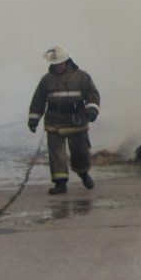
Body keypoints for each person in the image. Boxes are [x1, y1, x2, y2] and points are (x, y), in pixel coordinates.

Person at [28, 46, 101, 194]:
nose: (59, 66)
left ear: (68, 61)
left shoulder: (81, 77)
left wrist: (92, 110)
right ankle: (60, 184)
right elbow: (38, 101)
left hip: (77, 121)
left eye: (61, 63)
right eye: (56, 64)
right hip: (54, 121)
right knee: (56, 155)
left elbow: (93, 95)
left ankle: (83, 174)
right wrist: (33, 119)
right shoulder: (46, 80)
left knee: (81, 152)